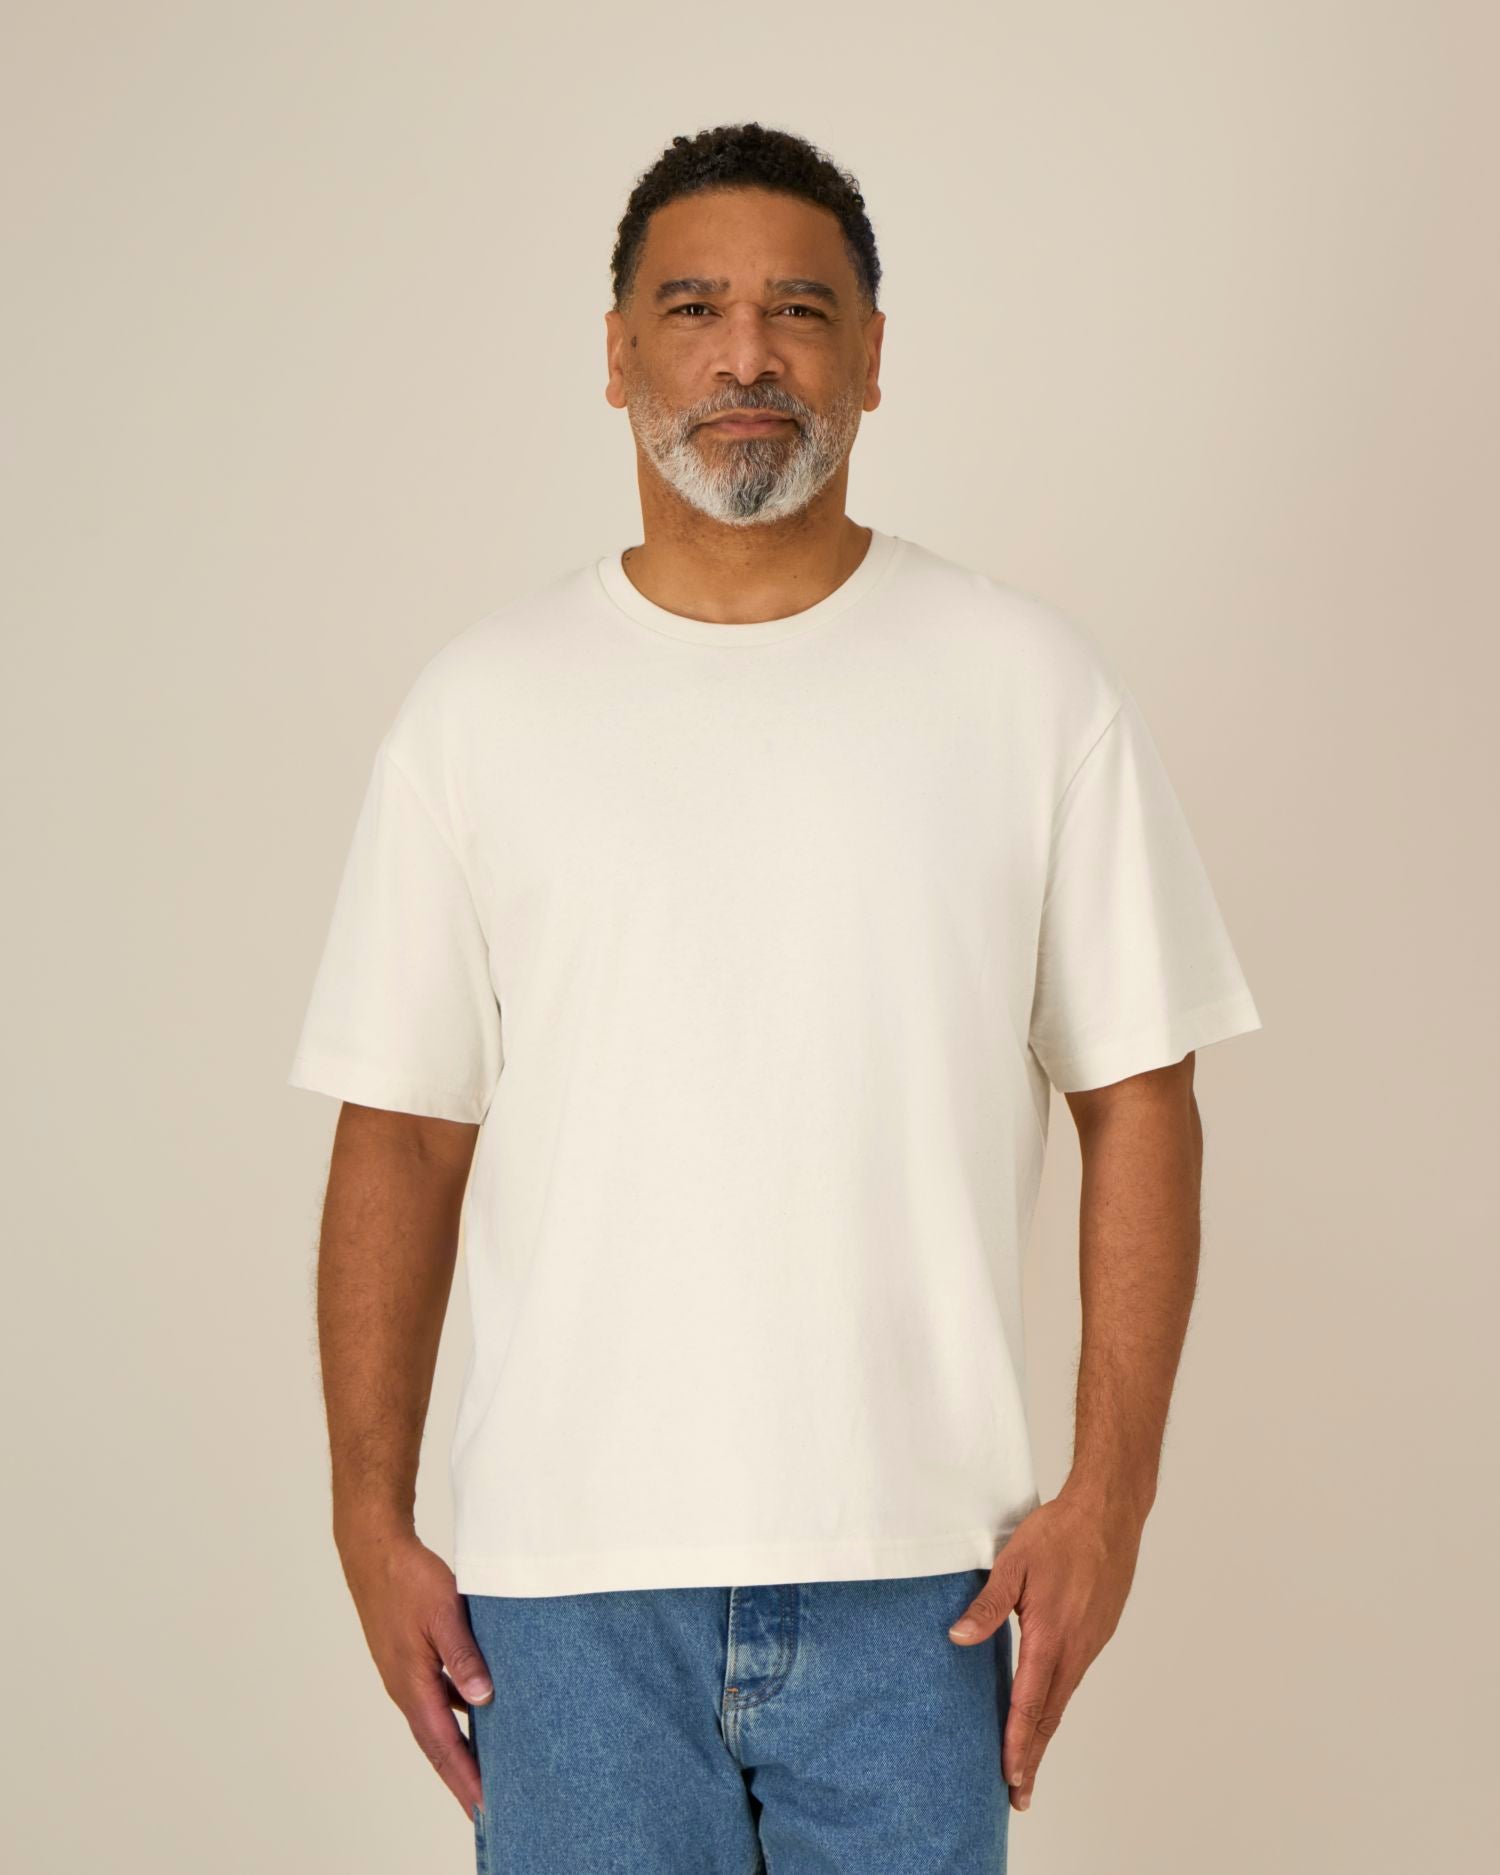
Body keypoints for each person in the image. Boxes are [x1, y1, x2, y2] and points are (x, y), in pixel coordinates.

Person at [287, 121, 1262, 1874]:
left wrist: (1110, 1499)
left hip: (924, 1583)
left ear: (873, 356)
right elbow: (403, 1135)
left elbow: (1140, 1099)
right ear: (616, 354)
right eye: (694, 309)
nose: (746, 354)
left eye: (798, 311)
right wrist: (370, 1515)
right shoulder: (481, 712)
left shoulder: (1027, 686)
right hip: (564, 1592)